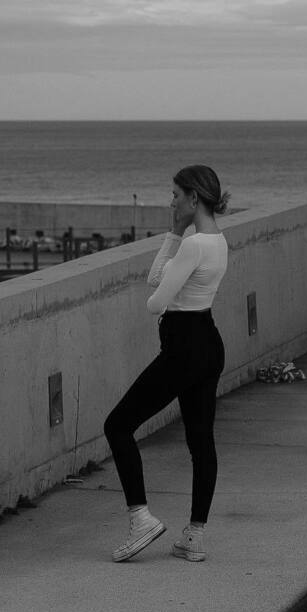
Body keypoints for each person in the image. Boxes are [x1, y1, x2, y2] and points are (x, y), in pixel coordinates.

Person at [103, 165, 230, 563]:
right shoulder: (218, 240)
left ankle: (141, 518)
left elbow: (154, 298)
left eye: (175, 194)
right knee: (200, 440)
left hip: (183, 347)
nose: (171, 201)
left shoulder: (193, 246)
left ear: (194, 198)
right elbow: (157, 279)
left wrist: (175, 238)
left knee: (118, 425)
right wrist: (176, 232)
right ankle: (194, 536)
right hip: (207, 341)